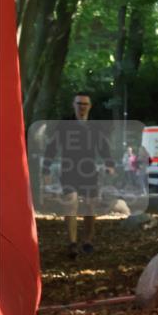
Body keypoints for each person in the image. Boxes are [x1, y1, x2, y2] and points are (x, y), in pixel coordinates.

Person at [41, 94, 115, 258]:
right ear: (73, 105)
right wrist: (45, 169)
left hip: (89, 171)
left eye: (85, 104)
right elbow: (52, 147)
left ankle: (87, 241)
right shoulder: (64, 125)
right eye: (79, 103)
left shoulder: (95, 127)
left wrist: (110, 164)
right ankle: (72, 243)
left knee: (90, 206)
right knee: (71, 203)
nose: (82, 107)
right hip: (69, 171)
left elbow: (103, 147)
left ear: (90, 106)